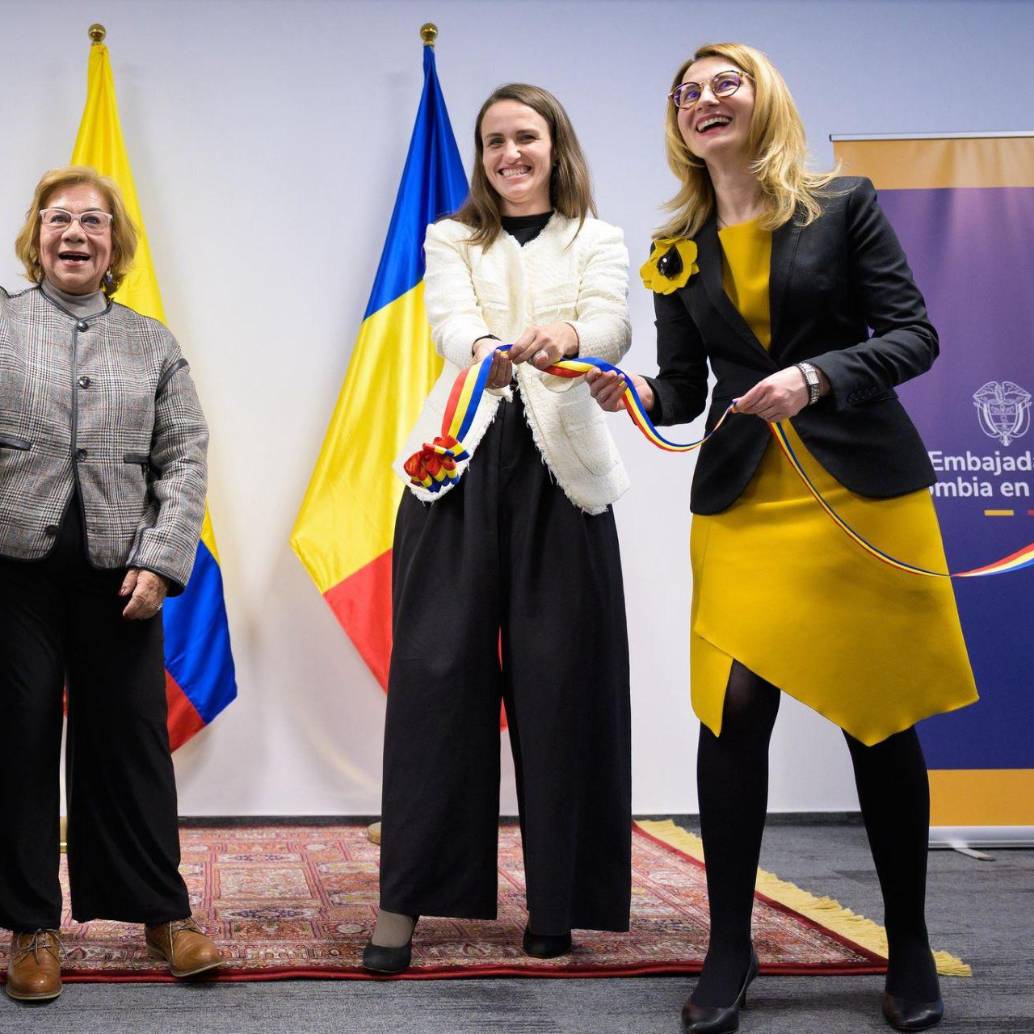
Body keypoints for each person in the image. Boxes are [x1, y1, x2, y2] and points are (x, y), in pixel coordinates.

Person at [588, 44, 977, 1034]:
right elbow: (685, 389)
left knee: (878, 712)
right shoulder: (676, 245)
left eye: (726, 82)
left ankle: (905, 942)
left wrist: (815, 377)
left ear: (764, 101)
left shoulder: (842, 205)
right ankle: (730, 943)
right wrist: (630, 391)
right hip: (744, 501)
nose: (704, 99)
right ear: (678, 125)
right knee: (731, 710)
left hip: (858, 489)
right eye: (686, 92)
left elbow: (914, 335)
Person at [363, 84, 633, 974]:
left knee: (565, 686)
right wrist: (486, 352)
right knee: (436, 681)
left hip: (566, 486)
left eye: (525, 137)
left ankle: (558, 906)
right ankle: (404, 902)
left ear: (556, 146)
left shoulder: (598, 237)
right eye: (493, 142)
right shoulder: (452, 237)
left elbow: (613, 320)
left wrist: (571, 333)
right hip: (457, 473)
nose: (509, 154)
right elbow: (450, 321)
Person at [1, 166, 221, 1001]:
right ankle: (30, 926)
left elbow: (185, 456)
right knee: (18, 741)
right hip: (12, 577)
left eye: (92, 221)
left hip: (122, 578)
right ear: (36, 237)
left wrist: (162, 558)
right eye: (58, 219)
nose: (75, 234)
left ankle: (163, 915)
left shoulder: (151, 343)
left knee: (130, 743)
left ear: (114, 244)